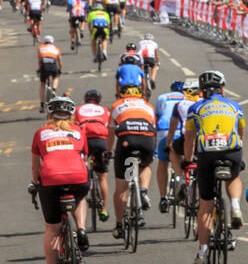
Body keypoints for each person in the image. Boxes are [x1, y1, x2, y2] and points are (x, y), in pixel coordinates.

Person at [184, 71, 246, 264]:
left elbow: (189, 139)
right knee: (234, 176)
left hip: (207, 155)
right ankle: (235, 206)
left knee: (205, 206)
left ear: (202, 92)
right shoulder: (234, 106)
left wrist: (187, 160)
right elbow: (240, 132)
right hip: (231, 151)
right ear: (222, 89)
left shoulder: (196, 107)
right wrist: (238, 158)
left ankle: (202, 252)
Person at [30, 95, 89, 264]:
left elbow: (35, 167)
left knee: (52, 229)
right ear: (71, 115)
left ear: (50, 114)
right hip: (78, 177)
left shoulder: (41, 133)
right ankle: (81, 228)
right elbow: (85, 158)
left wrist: (35, 183)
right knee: (81, 196)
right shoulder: (79, 131)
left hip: (52, 179)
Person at [107, 74, 156, 239]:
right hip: (147, 139)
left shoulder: (117, 105)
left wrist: (108, 151)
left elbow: (111, 133)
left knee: (121, 188)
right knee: (145, 165)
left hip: (127, 141)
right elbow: (153, 130)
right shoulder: (148, 106)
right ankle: (143, 191)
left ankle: (119, 225)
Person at [74, 89, 111, 222]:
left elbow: (74, 126)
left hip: (86, 140)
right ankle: (104, 210)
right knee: (102, 178)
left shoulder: (78, 109)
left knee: (83, 165)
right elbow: (109, 126)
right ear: (99, 100)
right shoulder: (104, 110)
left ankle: (86, 182)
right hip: (101, 141)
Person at [154, 80, 186, 212]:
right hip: (183, 131)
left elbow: (157, 118)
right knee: (186, 157)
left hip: (164, 130)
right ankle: (184, 181)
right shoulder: (187, 98)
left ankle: (163, 198)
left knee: (162, 163)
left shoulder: (162, 97)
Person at [36, 35, 62, 112]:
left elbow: (39, 60)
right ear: (52, 42)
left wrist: (39, 69)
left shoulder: (40, 48)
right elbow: (59, 61)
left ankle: (41, 104)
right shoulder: (56, 48)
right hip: (53, 64)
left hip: (44, 65)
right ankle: (53, 90)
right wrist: (60, 69)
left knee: (42, 84)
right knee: (56, 77)